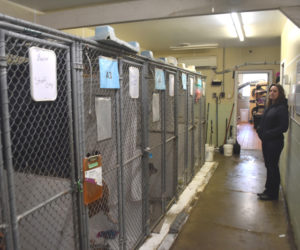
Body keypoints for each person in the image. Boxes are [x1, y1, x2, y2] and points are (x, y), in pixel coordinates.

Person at [256, 83, 289, 201]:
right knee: (269, 166)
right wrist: (260, 130)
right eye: (270, 91)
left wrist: (267, 134)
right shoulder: (271, 106)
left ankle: (273, 194)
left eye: (275, 91)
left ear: (279, 93)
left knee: (273, 167)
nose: (272, 93)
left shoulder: (282, 108)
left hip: (274, 143)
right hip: (267, 141)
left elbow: (283, 127)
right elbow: (264, 121)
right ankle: (268, 189)